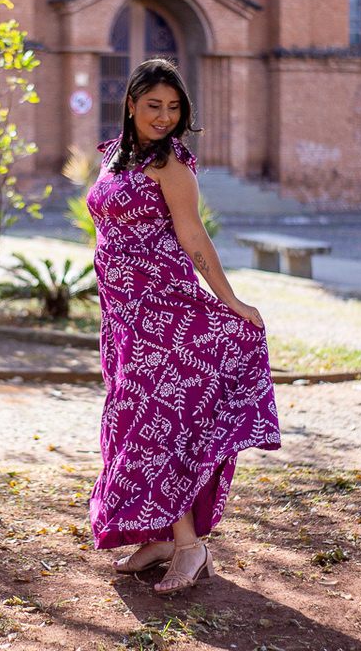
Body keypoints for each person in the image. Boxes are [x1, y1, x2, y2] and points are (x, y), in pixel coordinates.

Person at [87, 58, 281, 595]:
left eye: (174, 108)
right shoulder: (113, 156)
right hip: (123, 317)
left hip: (163, 314)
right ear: (130, 103)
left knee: (158, 423)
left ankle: (190, 546)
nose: (164, 117)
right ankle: (160, 538)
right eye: (154, 105)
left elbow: (194, 237)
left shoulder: (171, 164)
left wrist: (230, 300)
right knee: (134, 422)